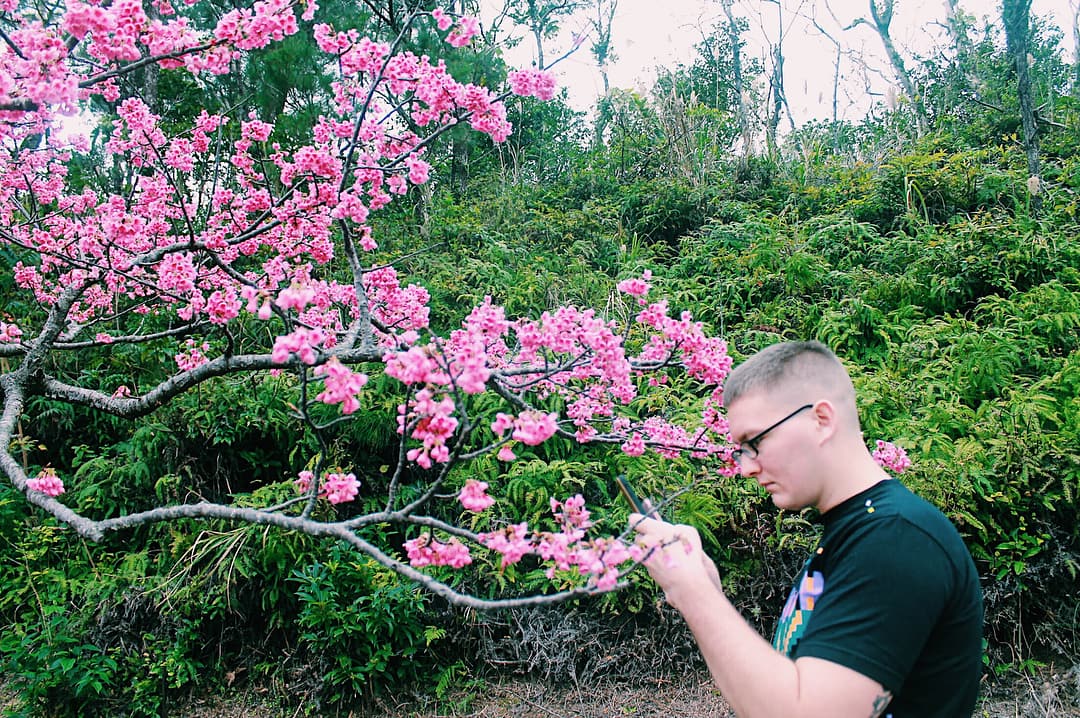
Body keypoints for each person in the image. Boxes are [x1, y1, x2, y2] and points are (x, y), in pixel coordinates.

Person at [631, 340, 983, 718]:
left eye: (755, 442)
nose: (746, 467)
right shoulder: (861, 532)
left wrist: (694, 593)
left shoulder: (896, 539)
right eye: (740, 449)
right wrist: (706, 589)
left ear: (821, 420)